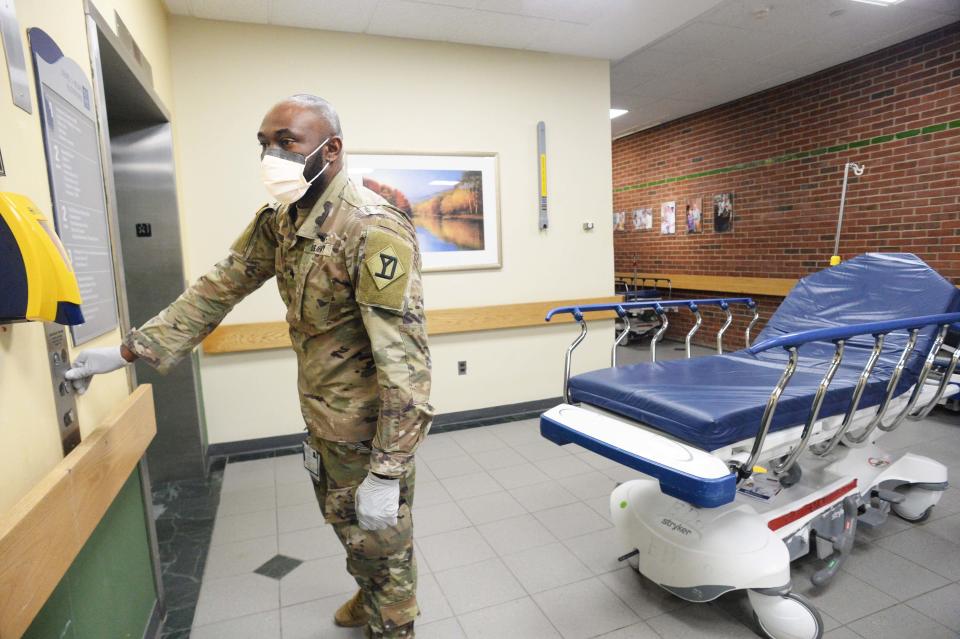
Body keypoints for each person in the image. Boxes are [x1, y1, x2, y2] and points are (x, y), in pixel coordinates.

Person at [65, 94, 432, 638]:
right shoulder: (281, 221)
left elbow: (405, 364)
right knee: (345, 524)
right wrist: (127, 350)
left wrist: (388, 468)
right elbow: (220, 286)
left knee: (384, 542)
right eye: (264, 143)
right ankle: (368, 589)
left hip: (368, 432)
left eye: (288, 142)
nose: (272, 155)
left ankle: (393, 622)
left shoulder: (371, 229)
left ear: (330, 150)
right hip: (322, 417)